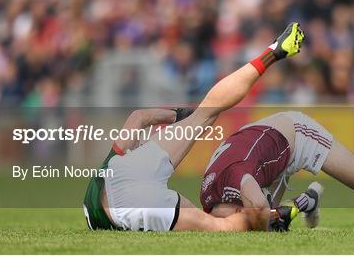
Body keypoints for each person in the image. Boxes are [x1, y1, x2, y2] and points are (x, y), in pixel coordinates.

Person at [83, 22, 305, 232]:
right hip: (124, 171)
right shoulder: (110, 163)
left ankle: (275, 215)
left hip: (134, 206)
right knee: (206, 113)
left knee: (219, 227)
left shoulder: (94, 214)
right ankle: (272, 52)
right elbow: (139, 117)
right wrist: (182, 115)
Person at [200, 101, 354, 229]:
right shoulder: (210, 200)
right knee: (265, 225)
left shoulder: (237, 177)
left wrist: (264, 219)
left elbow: (258, 208)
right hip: (262, 146)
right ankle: (308, 200)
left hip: (295, 134)